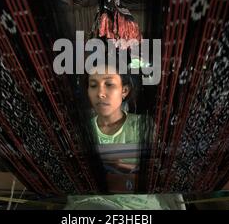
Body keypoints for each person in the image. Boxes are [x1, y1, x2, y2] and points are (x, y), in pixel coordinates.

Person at [65, 60, 185, 210]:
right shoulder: (80, 131)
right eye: (93, 85)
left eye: (109, 84)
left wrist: (119, 167)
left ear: (124, 90)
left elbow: (160, 175)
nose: (100, 93)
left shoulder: (142, 127)